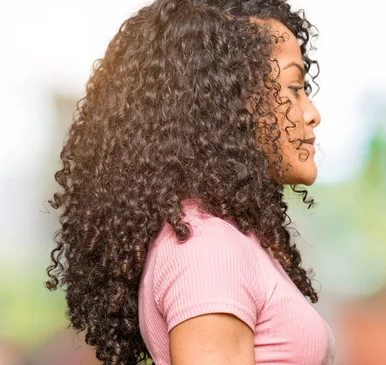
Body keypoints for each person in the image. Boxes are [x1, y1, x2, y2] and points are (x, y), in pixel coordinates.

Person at [44, 0, 335, 364]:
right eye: (293, 88)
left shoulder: (217, 238)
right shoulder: (206, 248)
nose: (312, 114)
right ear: (230, 102)